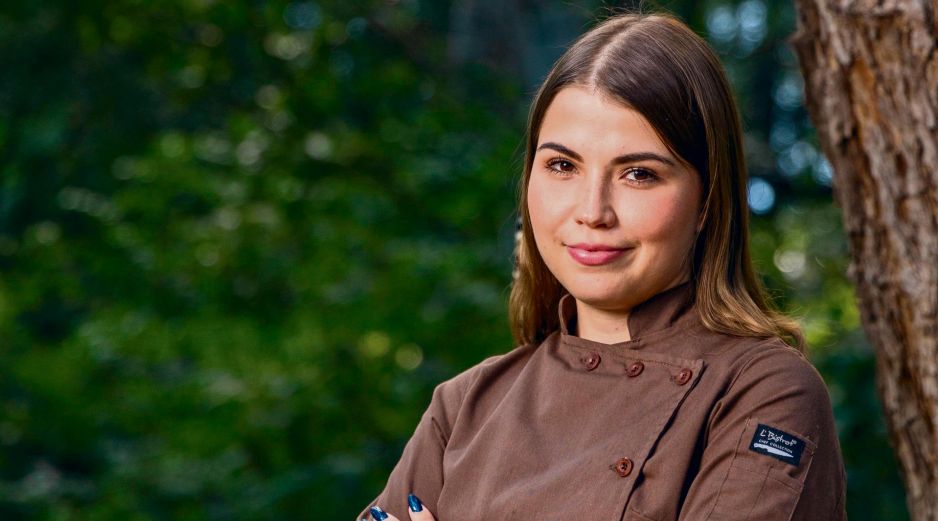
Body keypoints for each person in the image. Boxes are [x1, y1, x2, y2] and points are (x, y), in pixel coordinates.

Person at [357, 10, 847, 521]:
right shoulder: (464, 406)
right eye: (562, 166)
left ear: (707, 200)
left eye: (638, 174)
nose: (592, 212)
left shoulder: (764, 392)